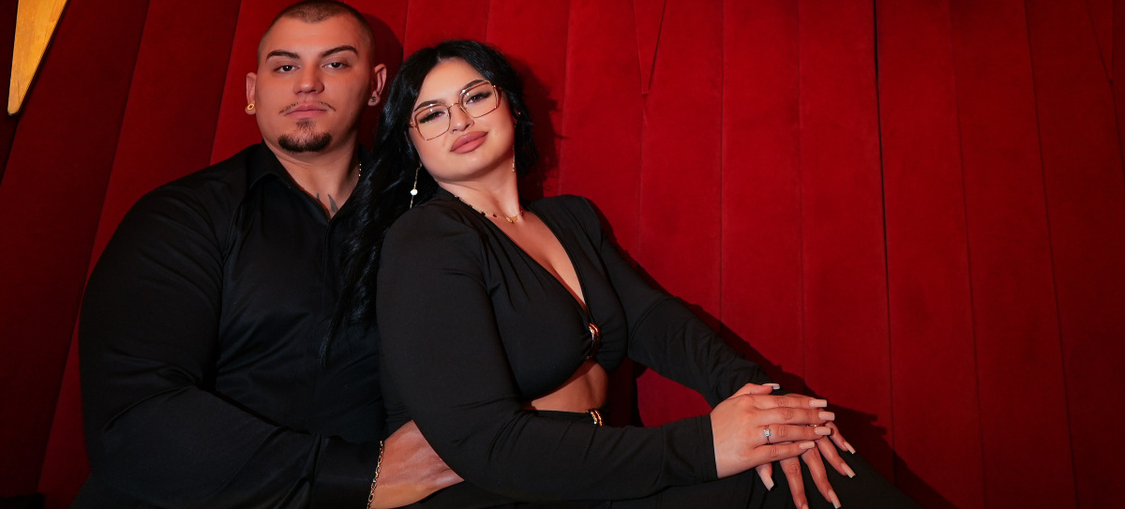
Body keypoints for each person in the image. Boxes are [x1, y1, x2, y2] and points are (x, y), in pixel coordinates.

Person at [335, 40, 922, 509]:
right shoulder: (426, 240)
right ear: (412, 147)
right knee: (778, 485)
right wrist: (707, 445)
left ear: (510, 103)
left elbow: (655, 321)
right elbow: (487, 444)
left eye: (476, 96)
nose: (460, 120)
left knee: (803, 457)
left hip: (598, 467)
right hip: (505, 489)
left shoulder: (571, 219)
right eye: (432, 114)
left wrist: (763, 405)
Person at [76, 0, 463, 509]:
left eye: (335, 63)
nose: (307, 83)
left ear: (376, 86)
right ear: (252, 92)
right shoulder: (181, 218)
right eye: (284, 67)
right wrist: (360, 476)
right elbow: (133, 419)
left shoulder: (428, 217)